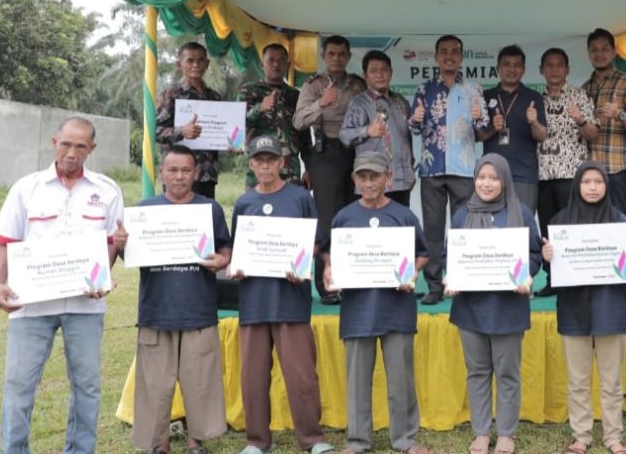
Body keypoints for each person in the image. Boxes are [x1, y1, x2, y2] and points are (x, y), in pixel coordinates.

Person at [0, 116, 124, 454]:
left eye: (81, 146)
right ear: (54, 143)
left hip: (85, 306)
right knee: (19, 386)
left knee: (87, 387)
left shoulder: (107, 190)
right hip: (29, 306)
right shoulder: (27, 187)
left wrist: (101, 277)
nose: (71, 152)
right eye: (66, 144)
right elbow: (6, 239)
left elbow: (112, 242)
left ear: (92, 148)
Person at [228, 136, 335, 454]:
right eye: (259, 160)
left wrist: (301, 261)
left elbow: (316, 242)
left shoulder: (300, 197)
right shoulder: (244, 202)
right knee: (253, 377)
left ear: (281, 163)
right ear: (251, 164)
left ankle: (312, 439)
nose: (265, 165)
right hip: (254, 302)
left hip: (290, 299)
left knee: (302, 375)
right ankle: (256, 441)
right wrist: (239, 266)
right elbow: (239, 249)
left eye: (271, 160)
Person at [322, 152, 431, 454]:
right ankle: (357, 440)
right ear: (354, 180)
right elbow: (330, 253)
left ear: (388, 178)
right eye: (363, 177)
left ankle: (406, 438)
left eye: (375, 177)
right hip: (358, 311)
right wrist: (330, 268)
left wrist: (413, 270)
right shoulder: (344, 217)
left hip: (397, 309)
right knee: (357, 379)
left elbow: (422, 253)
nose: (369, 183)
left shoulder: (403, 215)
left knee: (401, 379)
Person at [132, 145, 232, 454]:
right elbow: (130, 254)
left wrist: (222, 261)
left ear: (196, 173)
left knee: (199, 382)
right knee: (155, 385)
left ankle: (195, 442)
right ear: (161, 173)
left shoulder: (209, 209)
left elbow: (226, 247)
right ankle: (159, 444)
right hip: (157, 310)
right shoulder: (144, 210)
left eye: (185, 170)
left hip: (198, 309)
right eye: (172, 170)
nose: (179, 176)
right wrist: (123, 244)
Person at [541, 161, 626, 454]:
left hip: (611, 308)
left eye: (598, 181)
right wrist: (549, 256)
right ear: (577, 186)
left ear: (606, 186)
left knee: (611, 381)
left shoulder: (620, 220)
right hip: (574, 309)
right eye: (587, 182)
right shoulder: (560, 222)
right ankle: (581, 436)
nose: (593, 187)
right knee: (578, 380)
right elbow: (553, 271)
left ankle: (613, 437)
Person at [446, 154, 541, 454]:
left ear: (505, 180)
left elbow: (535, 256)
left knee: (508, 373)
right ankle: (481, 432)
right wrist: (452, 279)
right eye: (481, 177)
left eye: (494, 177)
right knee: (477, 372)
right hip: (470, 308)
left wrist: (526, 273)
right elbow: (454, 257)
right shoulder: (462, 214)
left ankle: (507, 433)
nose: (486, 183)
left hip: (508, 308)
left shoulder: (522, 213)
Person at [409, 34, 490, 305]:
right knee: (432, 228)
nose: (449, 56)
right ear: (436, 57)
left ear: (462, 57)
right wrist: (416, 120)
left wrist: (480, 120)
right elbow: (414, 127)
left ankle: (460, 280)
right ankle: (434, 285)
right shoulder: (424, 90)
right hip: (432, 168)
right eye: (444, 51)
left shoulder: (474, 90)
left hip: (465, 169)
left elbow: (483, 132)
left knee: (463, 229)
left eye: (455, 51)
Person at [294, 34, 367, 305]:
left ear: (348, 57)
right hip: (325, 155)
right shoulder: (313, 86)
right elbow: (298, 121)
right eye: (331, 54)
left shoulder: (359, 85)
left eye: (341, 54)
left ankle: (351, 279)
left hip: (358, 153)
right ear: (324, 57)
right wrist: (321, 104)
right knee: (328, 222)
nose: (336, 58)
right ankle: (327, 285)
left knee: (355, 217)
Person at [534, 47, 598, 297]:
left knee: (573, 228)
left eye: (559, 65)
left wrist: (581, 119)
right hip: (542, 174)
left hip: (572, 174)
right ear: (541, 70)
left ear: (567, 69)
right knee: (549, 229)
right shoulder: (535, 99)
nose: (554, 69)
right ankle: (553, 279)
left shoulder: (579, 96)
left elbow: (593, 134)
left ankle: (576, 277)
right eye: (549, 65)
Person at [581, 28, 626, 218]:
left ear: (614, 51)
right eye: (594, 50)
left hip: (618, 169)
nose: (599, 54)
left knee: (619, 220)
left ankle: (624, 250)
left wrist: (620, 115)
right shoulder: (585, 88)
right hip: (591, 168)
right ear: (588, 53)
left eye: (604, 49)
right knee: (592, 222)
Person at [340, 50, 416, 206]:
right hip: (373, 182)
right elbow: (344, 135)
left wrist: (410, 172)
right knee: (373, 228)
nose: (380, 74)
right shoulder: (360, 103)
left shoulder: (401, 102)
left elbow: (407, 140)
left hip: (401, 182)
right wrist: (367, 131)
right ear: (365, 76)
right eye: (374, 71)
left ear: (391, 72)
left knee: (399, 228)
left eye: (384, 70)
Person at [480, 44, 547, 212]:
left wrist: (534, 122)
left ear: (523, 69)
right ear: (498, 68)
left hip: (523, 174)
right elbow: (478, 136)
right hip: (491, 176)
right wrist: (493, 128)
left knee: (523, 227)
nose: (512, 69)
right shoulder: (485, 96)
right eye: (507, 64)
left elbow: (542, 136)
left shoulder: (533, 97)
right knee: (491, 228)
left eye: (517, 65)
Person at [155, 41, 224, 199]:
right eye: (190, 60)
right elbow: (154, 132)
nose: (196, 65)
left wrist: (232, 143)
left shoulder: (214, 97)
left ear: (207, 64)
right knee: (175, 221)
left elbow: (222, 132)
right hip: (177, 175)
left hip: (207, 174)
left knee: (204, 221)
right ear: (179, 64)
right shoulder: (170, 94)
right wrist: (181, 131)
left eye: (200, 61)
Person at [237, 43, 305, 189]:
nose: (276, 65)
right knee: (257, 209)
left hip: (290, 168)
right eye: (271, 60)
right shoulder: (249, 91)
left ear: (287, 65)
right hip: (260, 164)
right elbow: (235, 130)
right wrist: (259, 109)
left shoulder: (296, 96)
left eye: (281, 60)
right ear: (262, 64)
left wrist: (310, 168)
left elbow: (304, 135)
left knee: (290, 210)